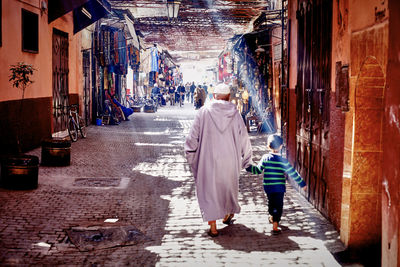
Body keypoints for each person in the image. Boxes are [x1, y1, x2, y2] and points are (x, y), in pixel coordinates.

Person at [184, 83, 253, 237]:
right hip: (230, 159)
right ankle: (228, 213)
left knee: (210, 191)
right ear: (229, 97)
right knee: (228, 188)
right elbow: (244, 139)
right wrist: (247, 159)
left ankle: (213, 226)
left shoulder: (203, 112)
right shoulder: (235, 114)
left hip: (208, 159)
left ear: (214, 96)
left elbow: (192, 138)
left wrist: (191, 155)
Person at [246, 134, 306, 234]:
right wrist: (302, 183)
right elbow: (293, 173)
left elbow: (257, 170)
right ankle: (275, 225)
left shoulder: (265, 158)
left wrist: (248, 167)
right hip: (279, 188)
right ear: (281, 146)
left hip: (268, 187)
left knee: (271, 203)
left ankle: (272, 216)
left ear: (268, 146)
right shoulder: (283, 161)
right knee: (278, 205)